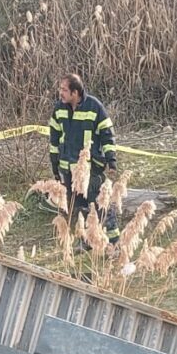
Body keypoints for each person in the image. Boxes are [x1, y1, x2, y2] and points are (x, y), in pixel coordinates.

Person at [48, 74, 120, 245]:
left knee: (101, 204)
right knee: (80, 208)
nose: (60, 93)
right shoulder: (59, 109)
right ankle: (87, 240)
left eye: (64, 90)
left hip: (91, 169)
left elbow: (107, 134)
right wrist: (55, 164)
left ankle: (114, 241)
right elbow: (54, 139)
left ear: (75, 92)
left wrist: (111, 160)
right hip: (68, 170)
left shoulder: (94, 107)